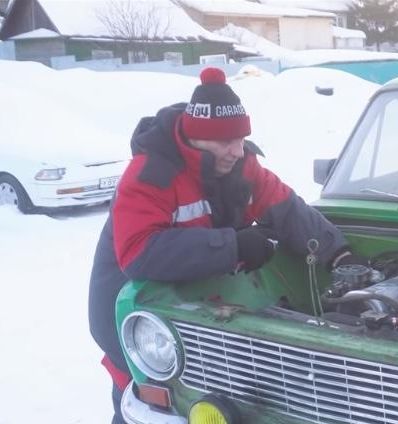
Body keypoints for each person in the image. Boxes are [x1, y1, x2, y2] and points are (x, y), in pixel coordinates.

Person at [88, 67, 362, 423]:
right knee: (154, 399)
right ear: (196, 137)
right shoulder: (149, 176)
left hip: (196, 299)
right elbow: (138, 254)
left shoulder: (239, 163)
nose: (237, 150)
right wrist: (233, 246)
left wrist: (336, 252)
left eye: (241, 138)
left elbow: (284, 206)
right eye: (225, 142)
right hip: (135, 313)